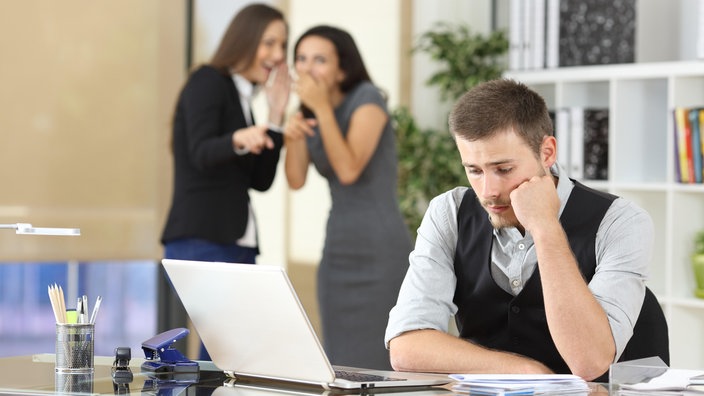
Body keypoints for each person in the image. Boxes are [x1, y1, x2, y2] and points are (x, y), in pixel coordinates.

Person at [384, 79, 659, 381]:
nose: (488, 191)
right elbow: (406, 347)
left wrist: (545, 226)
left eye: (504, 169)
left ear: (547, 152)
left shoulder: (621, 221)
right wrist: (523, 370)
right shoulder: (449, 212)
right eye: (474, 170)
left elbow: (590, 362)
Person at [160, 3, 291, 360]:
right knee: (224, 352)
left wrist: (276, 117)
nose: (278, 55)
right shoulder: (208, 81)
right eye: (269, 43)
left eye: (282, 45)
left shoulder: (243, 96)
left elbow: (260, 181)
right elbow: (200, 151)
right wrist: (239, 138)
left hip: (237, 242)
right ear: (244, 40)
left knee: (226, 354)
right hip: (202, 239)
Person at [284, 25, 412, 370]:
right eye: (302, 59)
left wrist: (322, 110)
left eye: (320, 60)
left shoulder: (367, 99)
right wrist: (292, 134)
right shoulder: (309, 112)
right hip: (338, 248)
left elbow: (349, 169)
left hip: (380, 249)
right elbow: (295, 180)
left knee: (381, 362)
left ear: (342, 68)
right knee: (340, 360)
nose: (308, 69)